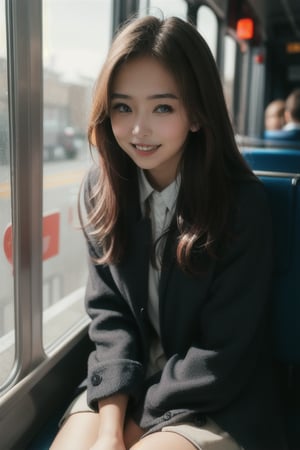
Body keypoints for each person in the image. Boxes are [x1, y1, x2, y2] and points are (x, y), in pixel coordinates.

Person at [50, 15, 287, 450]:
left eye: (162, 107)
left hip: (217, 394)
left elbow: (224, 354)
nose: (139, 129)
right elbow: (111, 318)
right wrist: (109, 429)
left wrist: (136, 429)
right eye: (123, 107)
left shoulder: (240, 204)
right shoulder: (103, 189)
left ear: (196, 114)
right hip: (130, 382)